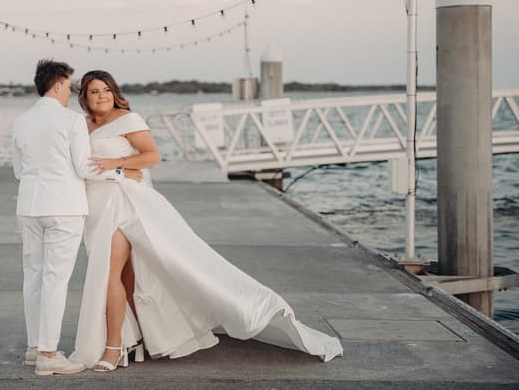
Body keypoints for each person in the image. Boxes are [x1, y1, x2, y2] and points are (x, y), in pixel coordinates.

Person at [70, 70, 343, 372]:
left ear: (114, 91)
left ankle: (112, 347)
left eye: (106, 90)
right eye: (94, 91)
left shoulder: (128, 120)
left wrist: (119, 165)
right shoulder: (82, 125)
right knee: (129, 276)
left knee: (108, 275)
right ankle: (138, 338)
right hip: (94, 207)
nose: (102, 96)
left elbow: (151, 157)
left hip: (123, 205)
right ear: (84, 97)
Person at [12, 60, 141, 376]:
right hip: (64, 208)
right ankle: (49, 354)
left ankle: (33, 347)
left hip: (28, 207)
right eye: (69, 86)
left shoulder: (21, 121)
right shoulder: (70, 121)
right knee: (56, 279)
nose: (71, 92)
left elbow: (18, 170)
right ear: (57, 85)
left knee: (34, 276)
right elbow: (85, 168)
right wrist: (122, 173)